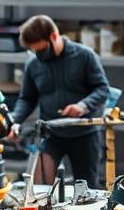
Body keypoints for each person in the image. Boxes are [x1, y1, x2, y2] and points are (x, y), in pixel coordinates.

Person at [9, 14, 110, 188]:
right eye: (34, 51)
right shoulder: (33, 64)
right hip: (51, 134)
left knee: (86, 189)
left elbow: (102, 89)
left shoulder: (85, 56)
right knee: (40, 187)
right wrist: (14, 121)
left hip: (84, 134)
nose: (38, 55)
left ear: (54, 37)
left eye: (41, 50)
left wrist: (82, 105)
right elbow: (27, 98)